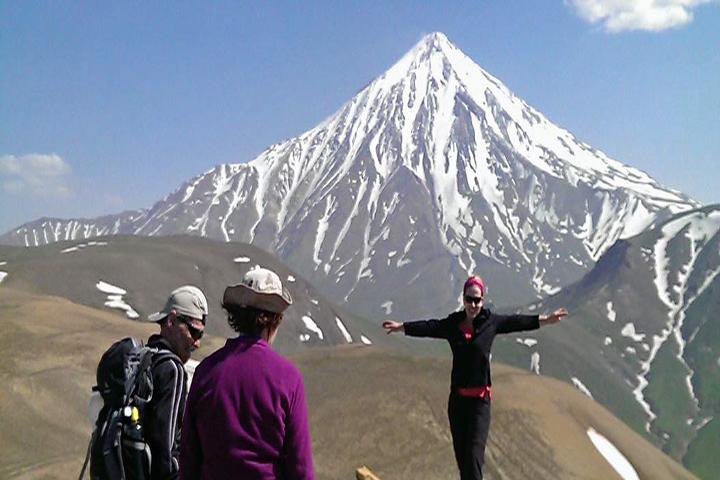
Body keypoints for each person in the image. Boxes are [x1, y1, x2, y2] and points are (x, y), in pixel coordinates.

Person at [382, 275, 567, 480]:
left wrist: (545, 320)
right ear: (463, 299)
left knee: (473, 459)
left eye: (477, 300)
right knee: (464, 464)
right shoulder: (453, 324)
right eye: (469, 299)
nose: (473, 304)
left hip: (480, 403)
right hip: (458, 403)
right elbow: (430, 327)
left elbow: (516, 322)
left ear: (482, 300)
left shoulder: (491, 323)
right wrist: (402, 327)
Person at [179, 267, 314, 480]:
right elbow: (300, 467)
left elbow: (188, 456)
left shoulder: (206, 371)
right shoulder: (288, 378)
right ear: (274, 321)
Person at [143, 285, 209, 479]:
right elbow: (164, 449)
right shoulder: (173, 370)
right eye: (194, 332)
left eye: (201, 336)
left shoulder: (145, 358)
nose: (197, 343)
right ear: (171, 320)